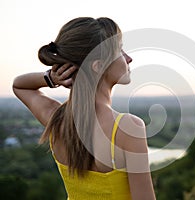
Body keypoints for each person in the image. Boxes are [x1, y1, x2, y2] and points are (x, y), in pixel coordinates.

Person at [13, 17, 156, 200]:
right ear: (98, 66)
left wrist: (51, 78)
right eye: (120, 50)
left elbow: (19, 85)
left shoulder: (57, 120)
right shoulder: (127, 128)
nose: (129, 58)